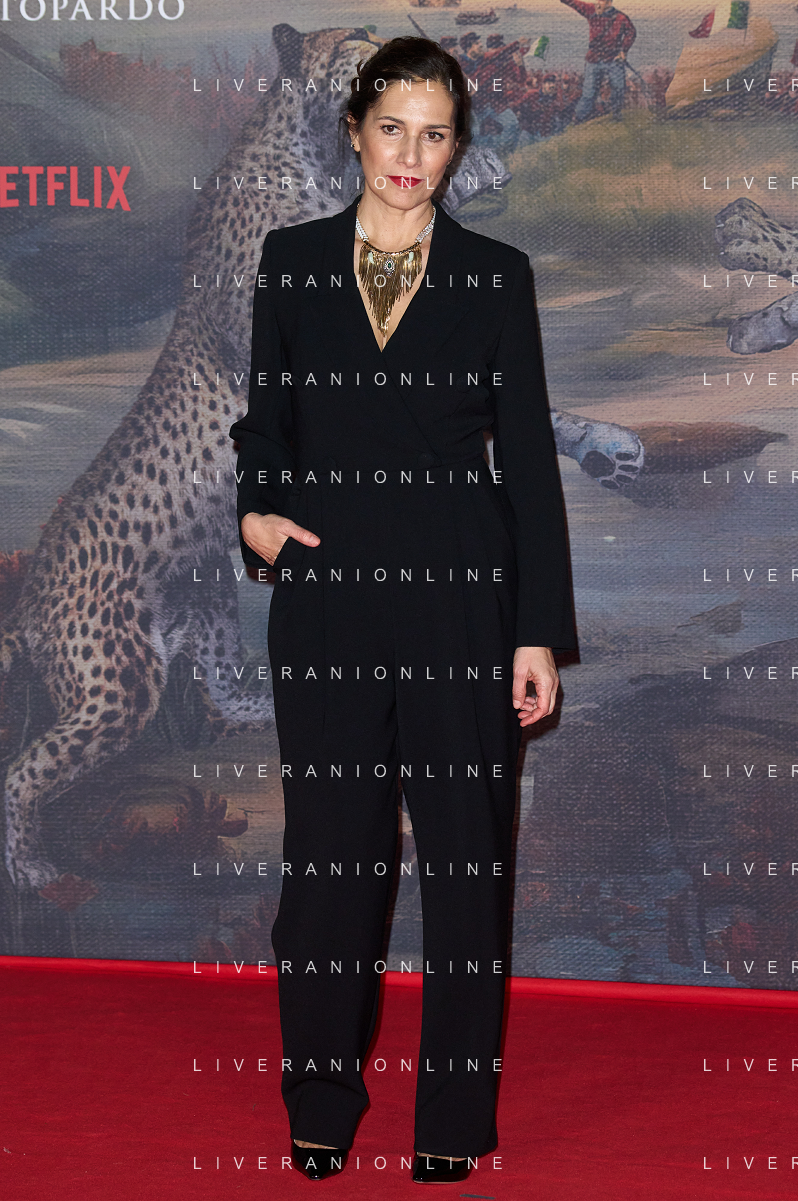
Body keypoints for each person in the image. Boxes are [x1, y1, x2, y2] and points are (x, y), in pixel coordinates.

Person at [229, 35, 576, 1186]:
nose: (409, 156)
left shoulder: (495, 276)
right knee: (330, 868)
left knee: (467, 869)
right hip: (326, 604)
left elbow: (527, 463)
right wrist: (255, 512)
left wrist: (535, 632)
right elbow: (265, 422)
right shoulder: (290, 262)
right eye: (392, 129)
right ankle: (319, 1101)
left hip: (462, 604)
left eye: (434, 135)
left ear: (456, 147)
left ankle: (452, 1121)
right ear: (354, 131)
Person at [559, 0, 636, 122]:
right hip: (593, 60)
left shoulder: (621, 18)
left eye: (601, 1)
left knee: (618, 88)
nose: (598, 4)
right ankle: (578, 119)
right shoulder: (591, 9)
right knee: (588, 93)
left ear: (609, 3)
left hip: (613, 60)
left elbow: (631, 32)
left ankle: (616, 115)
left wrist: (623, 50)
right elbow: (575, 3)